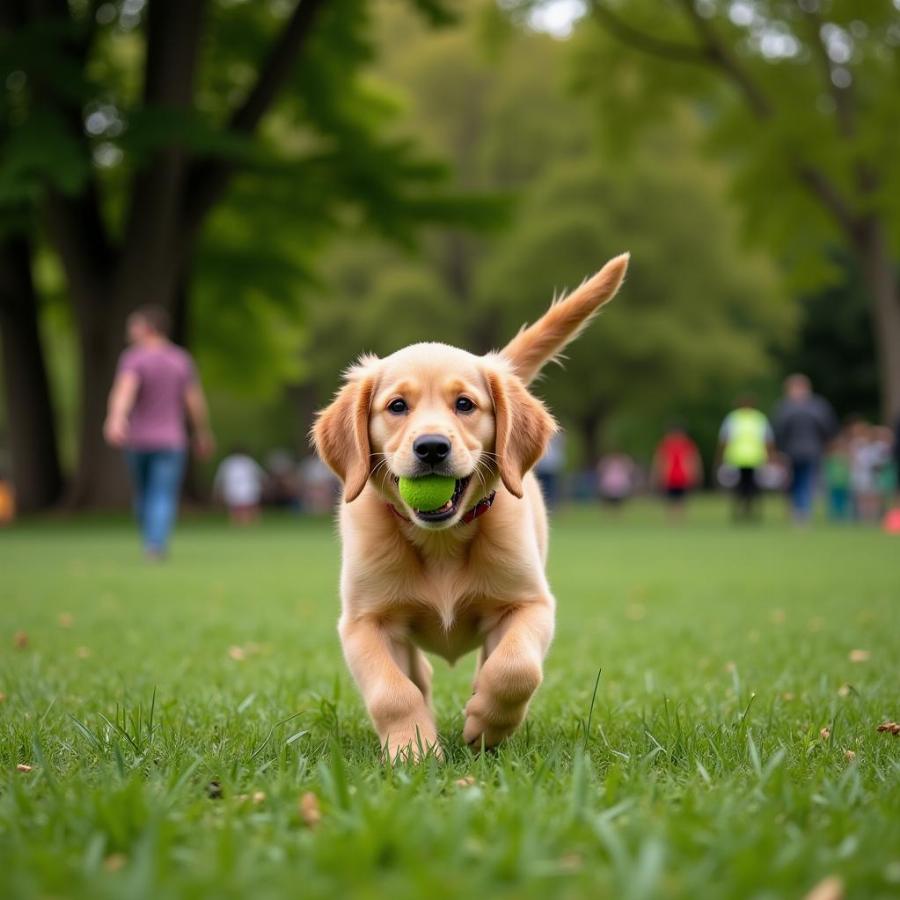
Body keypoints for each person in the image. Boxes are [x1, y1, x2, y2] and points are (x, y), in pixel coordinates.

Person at [104, 305, 214, 559]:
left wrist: (116, 418)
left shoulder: (134, 357)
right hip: (171, 441)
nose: (129, 332)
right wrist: (202, 432)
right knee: (162, 494)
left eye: (132, 326)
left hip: (139, 440)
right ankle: (155, 544)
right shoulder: (180, 359)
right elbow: (194, 401)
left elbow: (125, 390)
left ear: (148, 328)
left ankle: (152, 541)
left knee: (145, 494)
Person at [773, 374, 837, 524]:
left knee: (802, 481)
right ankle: (801, 510)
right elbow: (828, 428)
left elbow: (779, 430)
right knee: (799, 481)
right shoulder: (817, 406)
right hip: (798, 451)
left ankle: (800, 511)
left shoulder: (786, 407)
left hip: (805, 450)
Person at [717, 395, 774, 521]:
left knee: (747, 487)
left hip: (747, 458)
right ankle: (744, 512)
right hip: (745, 458)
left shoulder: (735, 418)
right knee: (746, 487)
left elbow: (724, 439)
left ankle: (746, 512)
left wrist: (720, 456)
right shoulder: (756, 418)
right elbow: (768, 440)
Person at [653, 424, 702, 520]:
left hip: (682, 477)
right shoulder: (666, 444)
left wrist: (694, 473)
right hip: (669, 477)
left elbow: (693, 459)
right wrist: (658, 474)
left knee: (681, 499)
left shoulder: (687, 444)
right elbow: (660, 460)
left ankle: (679, 518)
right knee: (669, 499)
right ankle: (672, 519)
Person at [214, 448, 266, 525]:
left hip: (233, 489)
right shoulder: (248, 461)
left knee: (236, 509)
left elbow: (220, 479)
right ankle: (254, 524)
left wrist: (218, 491)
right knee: (250, 507)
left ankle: (237, 525)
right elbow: (261, 475)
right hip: (248, 488)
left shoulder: (227, 462)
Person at [823, 430, 852, 521]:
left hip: (843, 482)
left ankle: (842, 515)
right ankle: (834, 515)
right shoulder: (830, 457)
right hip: (833, 482)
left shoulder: (846, 457)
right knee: (833, 499)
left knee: (843, 500)